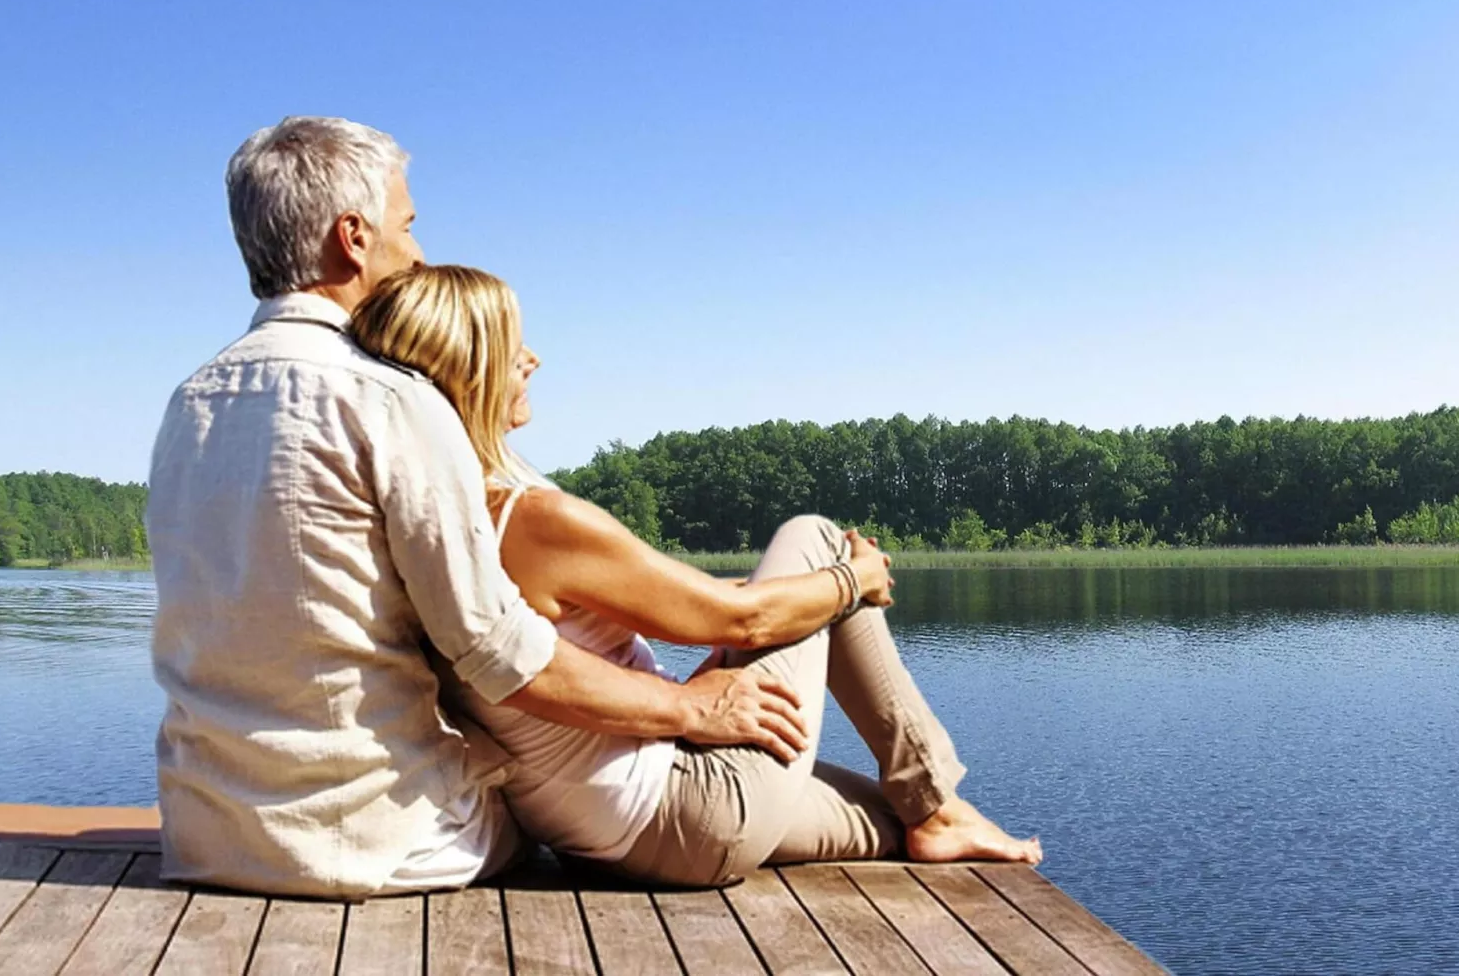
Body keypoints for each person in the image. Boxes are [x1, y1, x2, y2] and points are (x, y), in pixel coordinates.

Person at [148, 117, 811, 898]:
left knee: (809, 810)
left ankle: (917, 809)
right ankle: (924, 803)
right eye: (409, 225)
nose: (419, 252)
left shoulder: (188, 404)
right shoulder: (389, 398)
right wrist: (689, 708)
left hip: (206, 833)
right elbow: (498, 652)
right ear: (353, 237)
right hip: (377, 840)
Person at [352, 265, 1042, 886]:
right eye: (513, 344)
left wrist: (812, 601)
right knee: (817, 537)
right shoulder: (533, 521)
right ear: (465, 368)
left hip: (594, 836)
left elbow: (708, 605)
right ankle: (935, 796)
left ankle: (930, 813)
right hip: (683, 808)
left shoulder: (431, 526)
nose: (532, 358)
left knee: (894, 823)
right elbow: (742, 620)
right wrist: (853, 579)